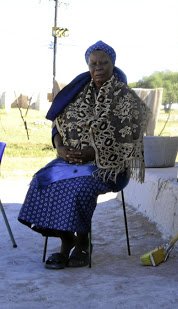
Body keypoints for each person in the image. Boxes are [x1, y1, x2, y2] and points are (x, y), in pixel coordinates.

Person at [18, 41, 150, 269]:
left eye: (103, 63)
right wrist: (59, 147)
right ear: (88, 66)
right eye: (93, 63)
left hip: (110, 166)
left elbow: (130, 135)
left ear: (113, 64)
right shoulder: (77, 93)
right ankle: (65, 239)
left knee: (77, 187)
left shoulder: (125, 97)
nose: (98, 68)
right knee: (42, 181)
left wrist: (93, 151)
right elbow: (57, 125)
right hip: (69, 160)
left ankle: (82, 244)